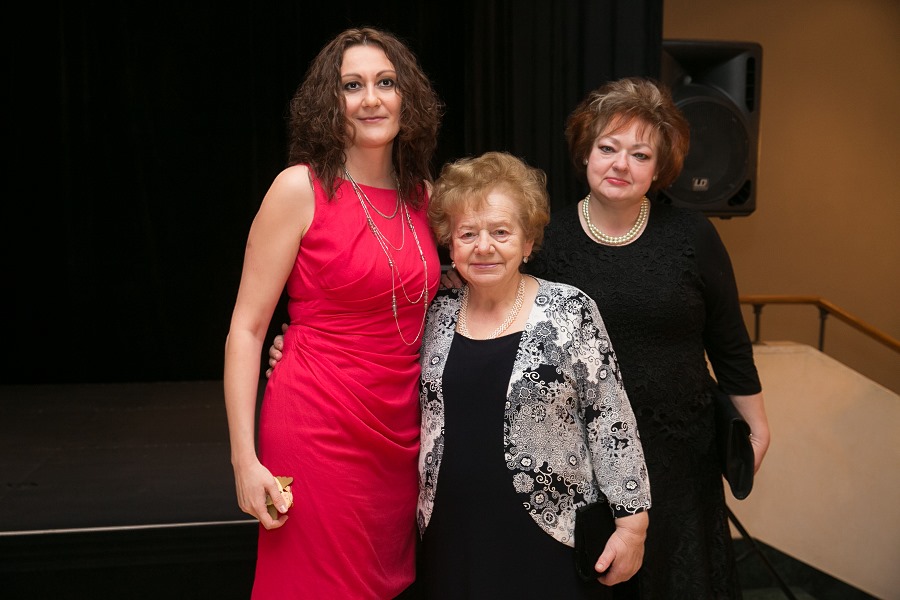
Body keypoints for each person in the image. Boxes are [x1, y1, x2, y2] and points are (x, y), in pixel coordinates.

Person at [520, 77, 771, 598]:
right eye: (608, 148)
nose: (621, 165)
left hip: (682, 453)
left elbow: (728, 340)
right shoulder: (546, 242)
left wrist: (757, 425)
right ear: (585, 153)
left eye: (640, 155)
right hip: (586, 457)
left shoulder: (692, 236)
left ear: (658, 169)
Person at [223, 27, 442, 599]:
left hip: (399, 432)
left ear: (407, 96)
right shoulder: (299, 188)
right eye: (352, 85)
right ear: (330, 102)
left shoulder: (423, 195)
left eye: (385, 83)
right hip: (317, 422)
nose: (371, 98)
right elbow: (247, 328)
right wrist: (244, 460)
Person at [416, 151, 651, 598]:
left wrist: (632, 525)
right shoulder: (434, 315)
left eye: (501, 232)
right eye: (468, 233)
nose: (483, 246)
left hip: (549, 534)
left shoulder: (570, 310)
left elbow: (610, 419)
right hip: (451, 535)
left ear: (527, 242)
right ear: (451, 244)